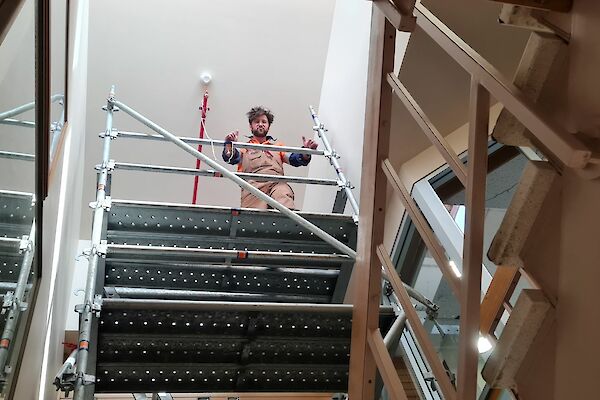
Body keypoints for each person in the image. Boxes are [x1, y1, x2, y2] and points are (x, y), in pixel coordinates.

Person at [222, 106, 318, 209]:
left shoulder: (277, 147)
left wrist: (305, 152)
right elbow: (231, 157)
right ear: (251, 126)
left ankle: (290, 221)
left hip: (276, 183)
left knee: (284, 199)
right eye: (256, 122)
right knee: (253, 219)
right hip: (253, 187)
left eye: (264, 122)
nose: (260, 124)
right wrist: (229, 144)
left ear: (268, 126)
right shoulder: (245, 149)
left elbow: (295, 159)